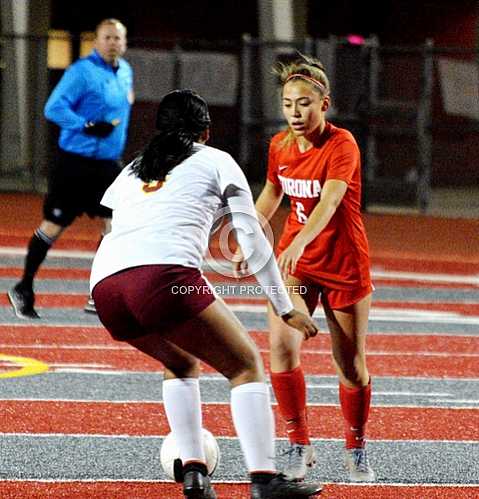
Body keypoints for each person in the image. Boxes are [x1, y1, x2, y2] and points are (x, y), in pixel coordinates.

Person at [89, 89, 323, 499]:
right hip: (162, 278)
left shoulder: (131, 169)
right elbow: (253, 240)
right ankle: (264, 480)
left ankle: (195, 473)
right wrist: (285, 309)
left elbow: (110, 229)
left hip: (106, 287)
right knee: (246, 365)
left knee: (180, 363)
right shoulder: (215, 161)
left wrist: (105, 295)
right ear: (206, 132)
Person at [234, 54, 375, 483]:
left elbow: (330, 202)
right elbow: (270, 195)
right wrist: (250, 233)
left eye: (305, 104)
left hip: (344, 263)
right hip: (297, 265)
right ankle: (298, 443)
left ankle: (356, 447)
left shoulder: (342, 144)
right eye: (288, 104)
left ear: (324, 104)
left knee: (349, 363)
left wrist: (298, 239)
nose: (295, 112)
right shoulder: (279, 145)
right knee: (280, 348)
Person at [8, 18, 133, 319]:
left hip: (107, 165)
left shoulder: (126, 71)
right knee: (54, 225)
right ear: (97, 41)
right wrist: (86, 126)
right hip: (75, 164)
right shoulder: (81, 72)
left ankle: (98, 294)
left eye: (118, 38)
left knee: (115, 226)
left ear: (124, 43)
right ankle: (24, 287)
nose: (113, 43)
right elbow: (53, 108)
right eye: (107, 38)